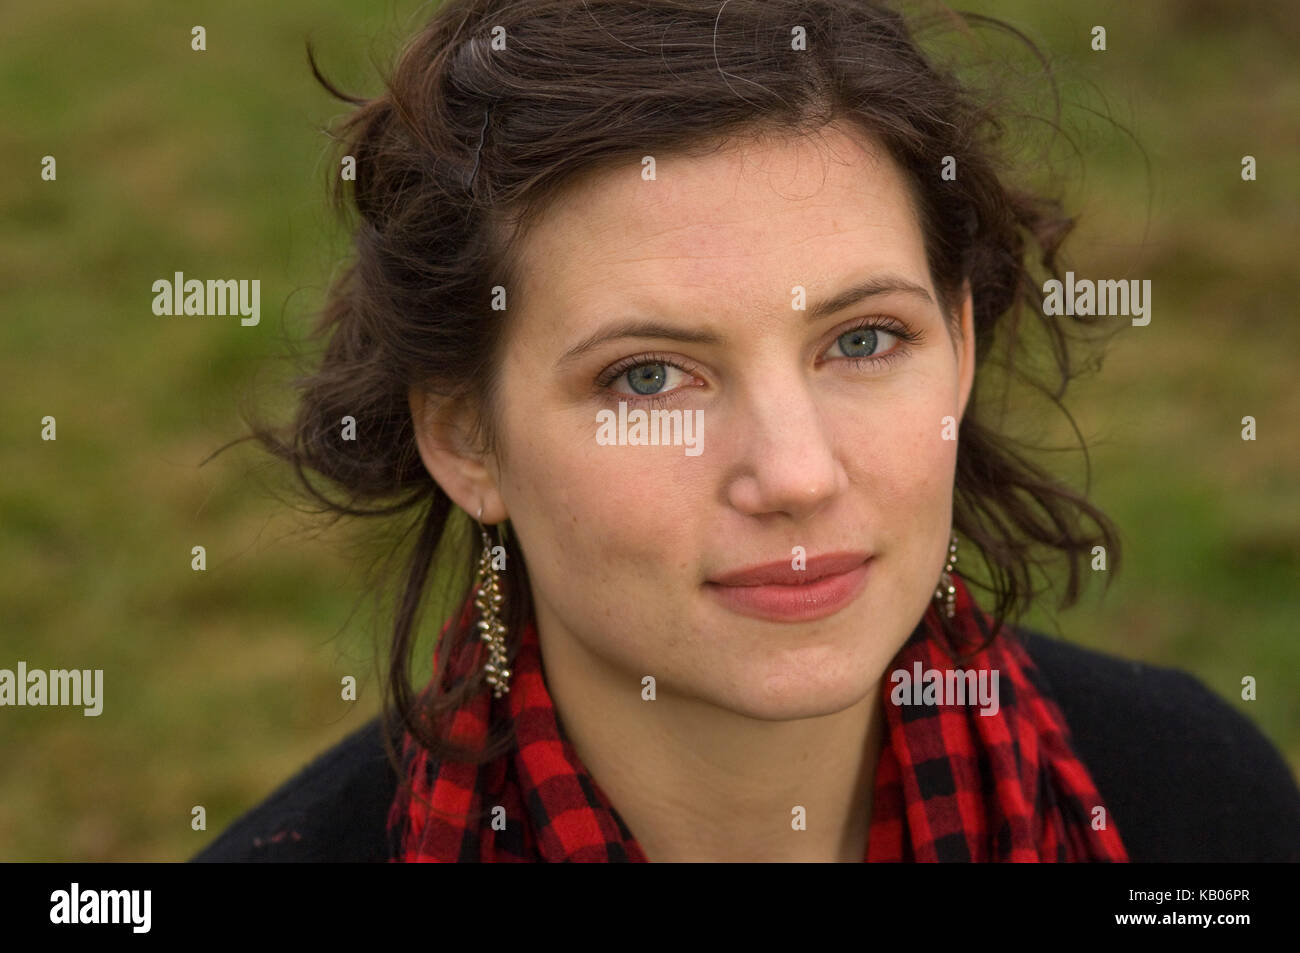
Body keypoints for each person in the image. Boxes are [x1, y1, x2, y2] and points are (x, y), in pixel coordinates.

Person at [193, 0, 1300, 862]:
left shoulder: (1192, 804)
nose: (796, 473)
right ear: (465, 439)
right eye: (649, 375)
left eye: (863, 340)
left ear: (960, 345)